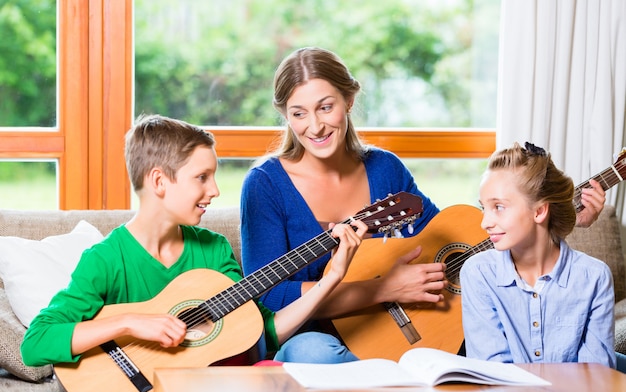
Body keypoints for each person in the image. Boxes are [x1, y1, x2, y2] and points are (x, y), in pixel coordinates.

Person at [240, 47, 608, 364]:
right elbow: (270, 296)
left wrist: (561, 221)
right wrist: (383, 289)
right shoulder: (265, 185)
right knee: (313, 356)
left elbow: (456, 241)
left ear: (349, 101)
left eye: (326, 107)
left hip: (407, 331)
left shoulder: (384, 169)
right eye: (298, 112)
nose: (315, 126)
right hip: (320, 337)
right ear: (285, 115)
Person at [20, 114, 367, 373]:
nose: (214, 190)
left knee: (293, 359)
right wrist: (127, 323)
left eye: (213, 177)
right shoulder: (106, 260)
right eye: (201, 177)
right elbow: (35, 345)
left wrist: (331, 278)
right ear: (159, 181)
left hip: (218, 388)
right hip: (146, 390)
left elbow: (264, 334)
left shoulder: (213, 249)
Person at [460, 141, 618, 368]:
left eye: (499, 207)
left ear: (540, 211)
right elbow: (492, 372)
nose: (485, 223)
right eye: (483, 207)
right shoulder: (478, 273)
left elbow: (596, 375)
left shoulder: (594, 277)